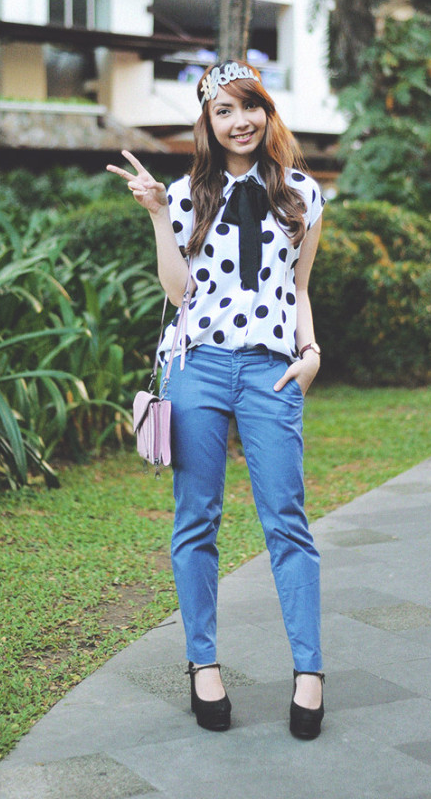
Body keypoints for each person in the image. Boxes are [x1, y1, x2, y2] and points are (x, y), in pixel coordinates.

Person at [107, 60, 325, 739]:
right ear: (208, 122)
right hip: (197, 367)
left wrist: (311, 353)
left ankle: (310, 672)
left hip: (271, 371)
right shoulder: (182, 195)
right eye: (223, 111)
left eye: (248, 106)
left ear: (266, 111)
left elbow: (299, 288)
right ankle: (203, 663)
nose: (239, 122)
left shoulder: (302, 194)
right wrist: (156, 214)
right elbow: (179, 294)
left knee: (286, 520)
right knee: (196, 519)